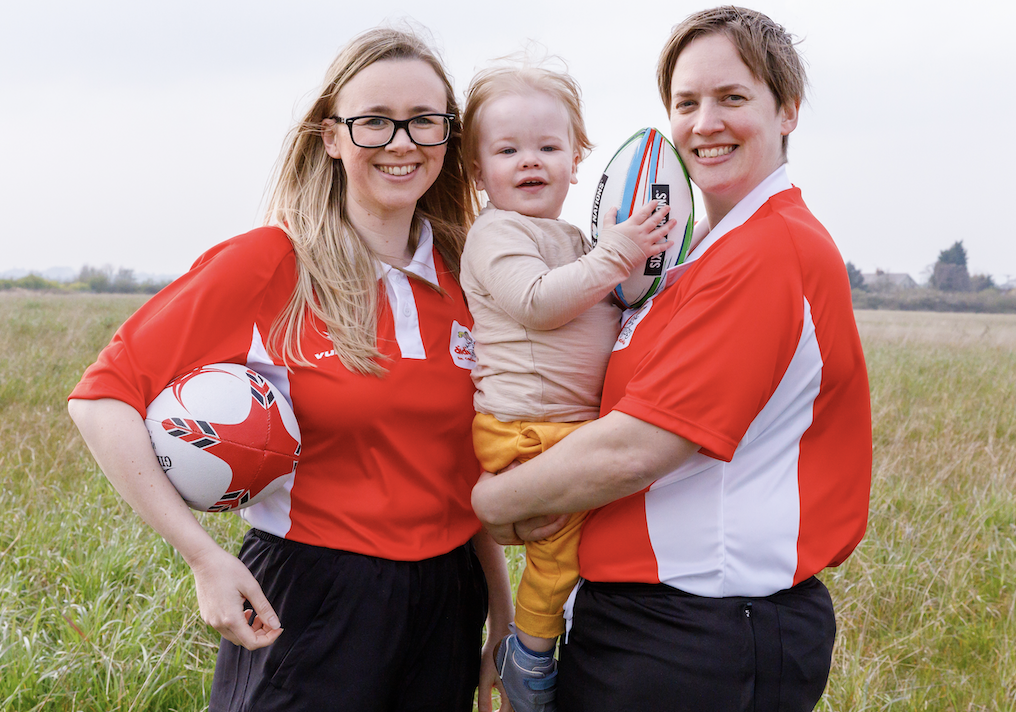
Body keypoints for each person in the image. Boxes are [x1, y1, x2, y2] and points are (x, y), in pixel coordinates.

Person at [67, 27, 514, 712]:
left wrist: (502, 617)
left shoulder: (470, 274)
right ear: (331, 135)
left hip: (448, 602)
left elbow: (465, 468)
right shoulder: (271, 262)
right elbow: (102, 401)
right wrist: (203, 557)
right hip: (312, 597)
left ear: (449, 136)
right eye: (374, 122)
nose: (402, 143)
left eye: (425, 121)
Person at [470, 7, 872, 711]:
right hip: (647, 624)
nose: (704, 123)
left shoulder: (766, 251)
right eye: (686, 103)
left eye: (733, 98)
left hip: (702, 634)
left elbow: (636, 449)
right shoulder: (696, 259)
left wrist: (492, 501)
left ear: (789, 112)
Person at [459, 64, 675, 712]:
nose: (530, 162)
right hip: (527, 429)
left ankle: (567, 632)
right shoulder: (497, 233)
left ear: (578, 161)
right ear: (478, 172)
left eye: (548, 147)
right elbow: (535, 302)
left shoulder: (576, 238)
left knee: (588, 538)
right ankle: (528, 654)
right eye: (508, 150)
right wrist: (615, 255)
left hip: (566, 427)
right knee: (559, 550)